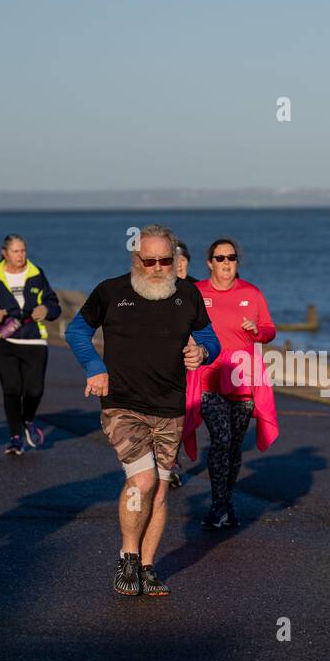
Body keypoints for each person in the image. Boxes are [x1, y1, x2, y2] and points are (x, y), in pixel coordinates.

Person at [67, 224, 221, 597]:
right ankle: (128, 556)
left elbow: (210, 340)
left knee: (161, 490)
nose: (156, 268)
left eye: (164, 261)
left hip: (169, 406)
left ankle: (148, 567)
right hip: (123, 404)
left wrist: (201, 353)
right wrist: (95, 367)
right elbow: (75, 332)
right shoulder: (111, 291)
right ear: (136, 259)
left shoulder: (187, 295)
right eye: (148, 260)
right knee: (144, 479)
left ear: (175, 259)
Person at [182, 237, 278, 529]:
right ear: (210, 262)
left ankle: (225, 503)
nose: (226, 263)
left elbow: (270, 330)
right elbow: (179, 324)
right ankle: (217, 505)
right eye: (220, 258)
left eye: (231, 258)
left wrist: (257, 330)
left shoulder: (252, 293)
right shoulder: (197, 292)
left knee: (235, 445)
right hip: (208, 378)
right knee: (221, 439)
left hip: (243, 381)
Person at [0, 234, 61, 454]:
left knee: (34, 390)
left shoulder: (36, 274)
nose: (21, 255)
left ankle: (28, 420)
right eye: (16, 251)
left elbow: (54, 305)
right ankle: (15, 438)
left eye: (23, 250)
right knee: (12, 389)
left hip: (34, 340)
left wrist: (47, 310)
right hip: (4, 342)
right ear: (4, 253)